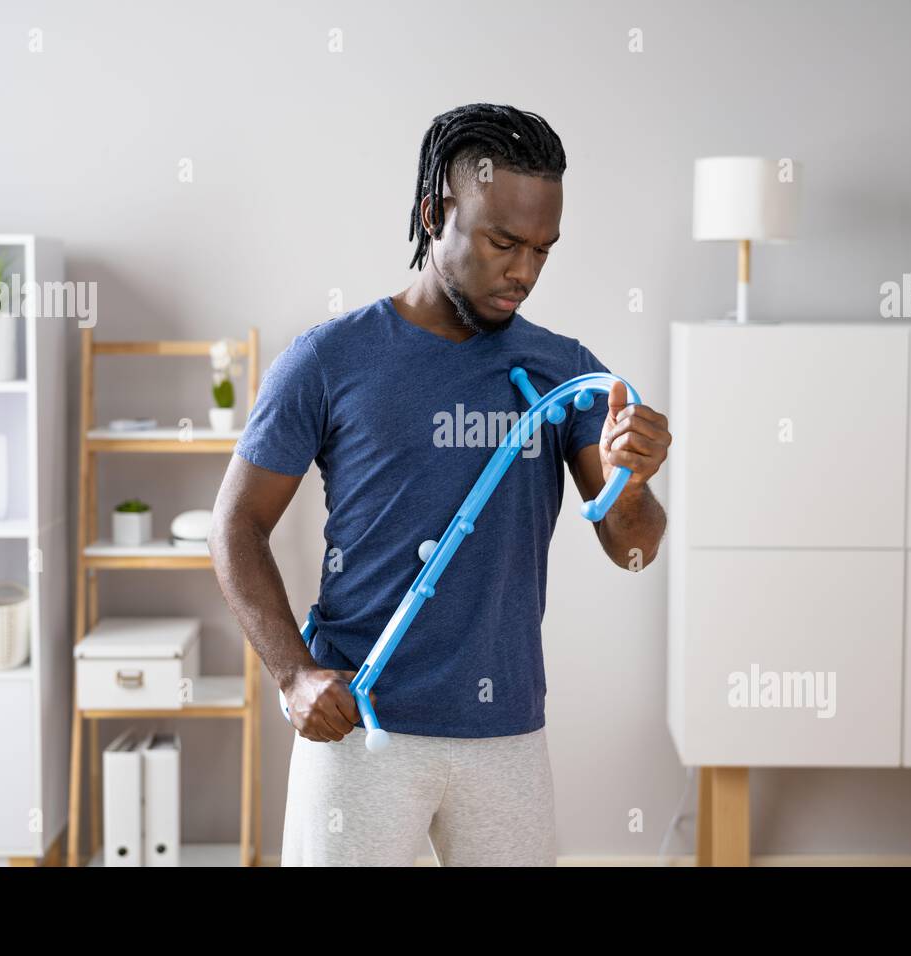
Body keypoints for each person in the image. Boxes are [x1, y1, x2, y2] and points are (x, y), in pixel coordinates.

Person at [209, 102, 670, 866]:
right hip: (361, 728)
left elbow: (634, 548)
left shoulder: (565, 371)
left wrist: (633, 478)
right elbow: (236, 526)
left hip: (506, 734)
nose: (523, 271)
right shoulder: (331, 360)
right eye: (502, 241)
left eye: (542, 250)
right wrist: (294, 675)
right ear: (433, 213)